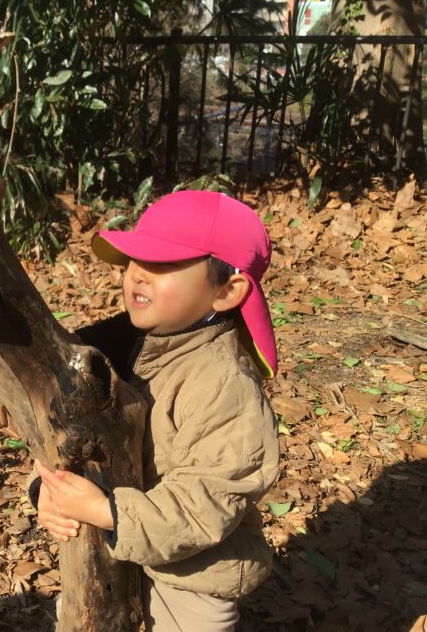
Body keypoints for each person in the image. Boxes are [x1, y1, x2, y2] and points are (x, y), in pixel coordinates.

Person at [32, 190, 281, 631]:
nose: (136, 276)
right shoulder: (111, 348)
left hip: (191, 578)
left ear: (227, 290)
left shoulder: (225, 384)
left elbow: (211, 498)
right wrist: (46, 490)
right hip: (106, 543)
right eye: (132, 261)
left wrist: (109, 512)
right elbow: (64, 427)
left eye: (162, 264)